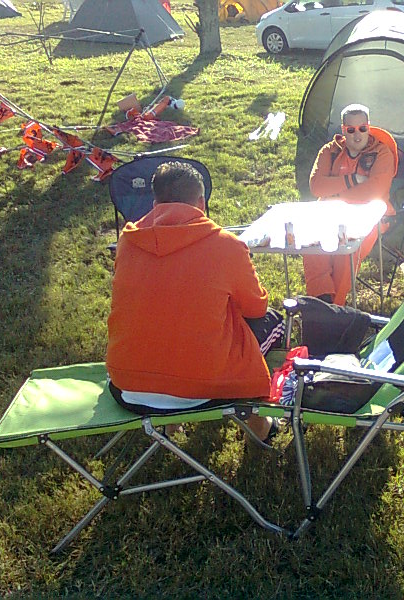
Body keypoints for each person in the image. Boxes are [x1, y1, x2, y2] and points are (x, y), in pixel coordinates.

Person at [106, 161, 280, 440]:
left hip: (128, 386)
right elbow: (256, 307)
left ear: (155, 203)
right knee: (272, 323)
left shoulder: (127, 241)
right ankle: (259, 428)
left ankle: (172, 425)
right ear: (201, 202)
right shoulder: (227, 245)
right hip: (206, 389)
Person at [303, 104, 397, 305]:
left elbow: (373, 192)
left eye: (362, 128)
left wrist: (334, 190)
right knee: (312, 243)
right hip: (329, 214)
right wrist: (352, 180)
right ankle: (320, 301)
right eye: (351, 130)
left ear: (368, 127)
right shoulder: (329, 151)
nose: (357, 135)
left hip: (370, 217)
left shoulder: (382, 153)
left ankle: (335, 307)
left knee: (346, 250)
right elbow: (316, 186)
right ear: (343, 130)